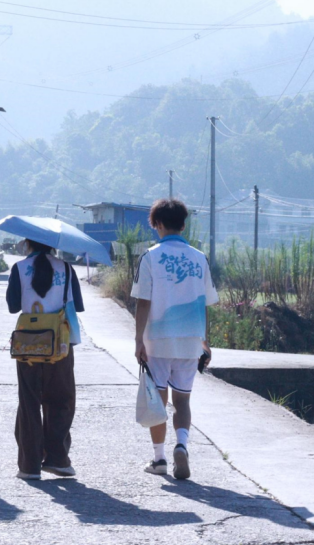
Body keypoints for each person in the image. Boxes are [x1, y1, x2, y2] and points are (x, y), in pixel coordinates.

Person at [130, 199, 219, 480]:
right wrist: (204, 341)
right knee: (183, 400)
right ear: (183, 225)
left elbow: (143, 302)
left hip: (158, 340)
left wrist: (138, 340)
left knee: (158, 401)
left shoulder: (150, 257)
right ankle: (181, 445)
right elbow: (205, 302)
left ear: (157, 224)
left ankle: (159, 459)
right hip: (191, 340)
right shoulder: (199, 258)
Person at [6, 240, 85, 480]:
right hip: (60, 343)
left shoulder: (19, 268)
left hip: (27, 343)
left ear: (28, 242)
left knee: (29, 402)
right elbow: (77, 306)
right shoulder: (67, 269)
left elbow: (13, 306)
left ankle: (29, 465)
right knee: (61, 399)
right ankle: (58, 459)